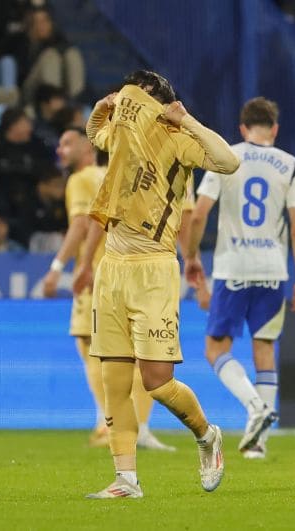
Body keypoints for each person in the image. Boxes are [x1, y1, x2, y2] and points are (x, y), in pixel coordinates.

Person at [73, 70, 240, 498]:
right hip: (112, 265)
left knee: (157, 382)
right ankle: (126, 479)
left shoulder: (177, 138)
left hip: (154, 267)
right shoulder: (124, 138)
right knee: (114, 380)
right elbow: (96, 136)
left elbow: (228, 161)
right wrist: (99, 111)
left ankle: (206, 435)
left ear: (158, 101)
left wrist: (188, 120)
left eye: (139, 95)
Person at [184, 97, 295, 459]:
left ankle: (255, 407)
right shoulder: (290, 164)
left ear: (242, 128)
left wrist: (192, 257)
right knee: (264, 347)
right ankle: (257, 444)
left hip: (232, 267)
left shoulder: (225, 157)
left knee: (215, 349)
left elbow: (198, 216)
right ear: (275, 129)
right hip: (273, 268)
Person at [41, 127, 175, 451]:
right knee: (139, 353)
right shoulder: (123, 172)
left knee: (90, 345)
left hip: (100, 274)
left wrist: (59, 268)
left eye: (67, 142)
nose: (60, 149)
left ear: (88, 148)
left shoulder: (81, 178)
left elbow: (82, 224)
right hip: (136, 271)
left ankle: (108, 423)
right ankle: (140, 426)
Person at [15, 8, 86, 103]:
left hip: (61, 86)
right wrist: (33, 43)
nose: (42, 25)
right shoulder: (22, 42)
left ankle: (77, 100)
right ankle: (53, 101)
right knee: (50, 56)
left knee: (72, 53)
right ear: (30, 25)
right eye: (36, 22)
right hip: (30, 90)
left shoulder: (57, 40)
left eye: (45, 21)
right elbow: (22, 75)